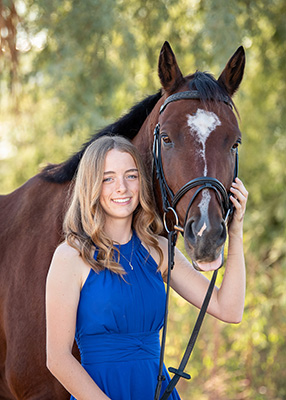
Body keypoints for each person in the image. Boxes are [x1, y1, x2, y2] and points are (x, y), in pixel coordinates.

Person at [46, 135, 248, 400]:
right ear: (90, 185)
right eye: (108, 178)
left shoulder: (159, 250)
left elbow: (229, 308)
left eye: (131, 176)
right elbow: (58, 359)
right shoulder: (71, 256)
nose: (122, 187)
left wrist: (235, 230)